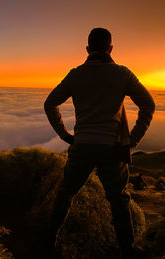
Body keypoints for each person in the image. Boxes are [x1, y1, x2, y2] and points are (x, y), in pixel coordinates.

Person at [44, 27, 155, 258]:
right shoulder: (123, 74)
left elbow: (50, 103)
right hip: (112, 149)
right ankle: (128, 249)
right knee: (119, 199)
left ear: (87, 49)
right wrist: (133, 140)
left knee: (66, 194)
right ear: (111, 48)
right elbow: (148, 105)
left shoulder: (75, 74)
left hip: (81, 145)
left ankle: (48, 243)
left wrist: (65, 135)